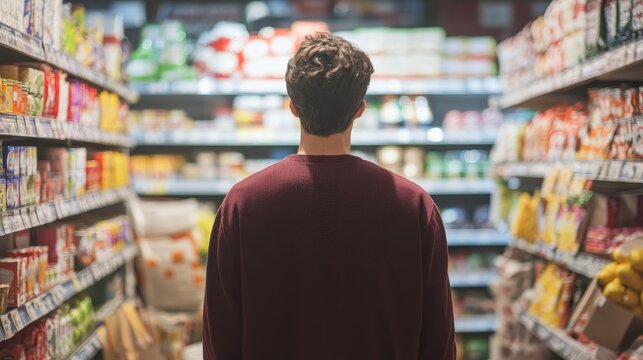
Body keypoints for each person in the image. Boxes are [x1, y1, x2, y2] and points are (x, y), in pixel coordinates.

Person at [203, 32, 455, 360]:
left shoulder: (242, 203)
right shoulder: (415, 205)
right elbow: (438, 340)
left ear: (293, 107)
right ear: (360, 109)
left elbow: (220, 338)